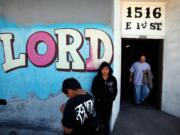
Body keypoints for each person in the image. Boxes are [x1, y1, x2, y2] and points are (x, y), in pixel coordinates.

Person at [91, 62, 117, 135]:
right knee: (99, 120)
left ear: (109, 70)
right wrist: (98, 98)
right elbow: (93, 89)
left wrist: (112, 98)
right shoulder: (97, 78)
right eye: (103, 69)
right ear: (100, 70)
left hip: (108, 104)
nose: (105, 71)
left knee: (106, 120)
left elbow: (115, 90)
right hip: (99, 103)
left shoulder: (112, 79)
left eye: (106, 69)